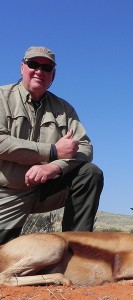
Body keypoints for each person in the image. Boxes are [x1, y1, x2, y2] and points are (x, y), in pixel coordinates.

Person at [0, 46, 104, 243]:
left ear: (53, 75)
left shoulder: (64, 108)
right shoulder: (2, 97)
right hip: (6, 194)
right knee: (3, 261)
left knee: (90, 174)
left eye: (47, 68)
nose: (39, 71)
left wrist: (54, 167)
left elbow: (85, 147)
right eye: (33, 64)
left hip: (44, 190)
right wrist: (53, 151)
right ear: (22, 67)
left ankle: (77, 250)